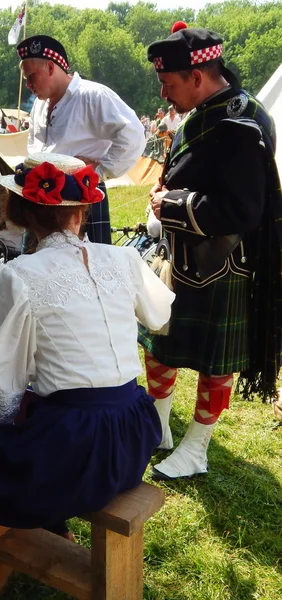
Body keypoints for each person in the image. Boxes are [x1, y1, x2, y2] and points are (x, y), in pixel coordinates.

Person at [0, 152, 174, 600]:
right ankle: (51, 520)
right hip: (133, 435)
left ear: (19, 213)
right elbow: (160, 315)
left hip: (74, 450)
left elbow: (5, 391)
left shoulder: (19, 275)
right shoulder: (121, 259)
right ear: (83, 210)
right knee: (38, 410)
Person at [141, 23, 282, 480]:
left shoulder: (242, 124)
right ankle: (158, 426)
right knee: (159, 345)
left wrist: (172, 204)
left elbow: (242, 210)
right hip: (181, 259)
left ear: (197, 77)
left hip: (223, 264)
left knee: (213, 364)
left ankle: (196, 447)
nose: (165, 95)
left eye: (169, 84)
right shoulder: (207, 109)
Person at [17, 35, 145, 245]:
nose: (29, 84)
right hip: (41, 196)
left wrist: (100, 170)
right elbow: (34, 146)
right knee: (34, 266)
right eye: (26, 79)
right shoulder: (40, 105)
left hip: (81, 195)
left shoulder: (93, 95)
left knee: (89, 266)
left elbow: (133, 134)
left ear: (50, 67)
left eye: (31, 76)